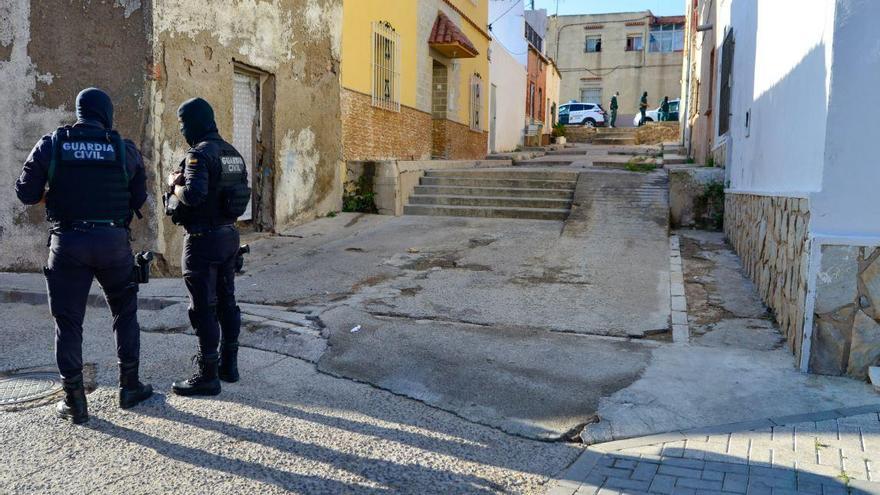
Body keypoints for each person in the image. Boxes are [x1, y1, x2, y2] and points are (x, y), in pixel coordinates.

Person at [15, 88, 153, 424]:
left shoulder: (53, 144)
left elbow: (25, 193)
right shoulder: (123, 147)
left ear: (79, 111)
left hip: (69, 243)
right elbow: (138, 198)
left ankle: (75, 402)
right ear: (105, 112)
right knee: (124, 312)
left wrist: (55, 193)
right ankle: (129, 387)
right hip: (113, 243)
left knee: (68, 322)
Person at [166, 97, 250, 396]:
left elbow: (193, 195)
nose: (182, 129)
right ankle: (230, 365)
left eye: (182, 123)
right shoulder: (233, 153)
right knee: (227, 300)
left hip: (203, 240)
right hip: (229, 236)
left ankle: (207, 375)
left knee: (203, 306)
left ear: (194, 123)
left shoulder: (198, 154)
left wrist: (174, 183)